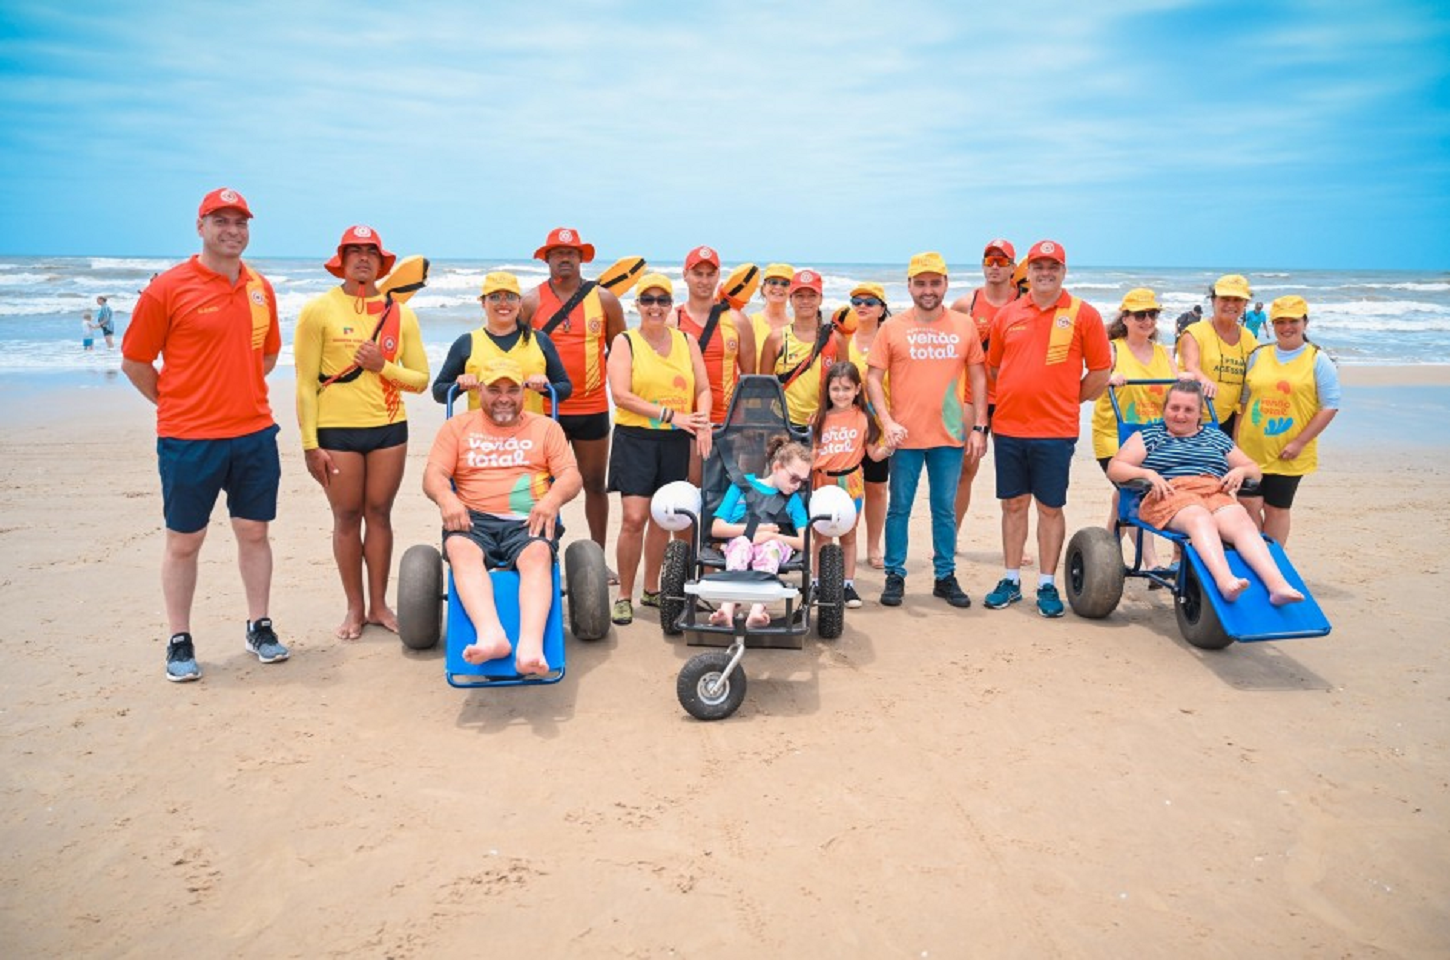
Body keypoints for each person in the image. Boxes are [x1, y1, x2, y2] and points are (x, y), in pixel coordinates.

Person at [121, 187, 288, 682]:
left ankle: (259, 626)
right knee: (185, 541)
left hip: (254, 432)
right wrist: (177, 402)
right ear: (201, 227)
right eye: (221, 221)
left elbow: (267, 355)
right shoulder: (168, 287)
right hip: (189, 438)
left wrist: (235, 389)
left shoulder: (260, 287)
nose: (232, 230)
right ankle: (179, 638)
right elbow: (135, 361)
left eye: (240, 222)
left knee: (254, 532)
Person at [295, 225, 430, 640]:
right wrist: (310, 445)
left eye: (371, 251)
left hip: (388, 428)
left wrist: (381, 366)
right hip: (336, 432)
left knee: (380, 513)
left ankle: (379, 606)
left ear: (381, 262)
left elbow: (420, 379)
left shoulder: (400, 314)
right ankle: (354, 608)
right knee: (347, 516)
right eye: (354, 251)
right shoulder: (318, 310)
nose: (363, 258)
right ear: (341, 261)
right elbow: (305, 384)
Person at [422, 357, 582, 675]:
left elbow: (571, 476)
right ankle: (491, 635)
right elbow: (434, 475)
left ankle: (530, 646)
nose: (504, 398)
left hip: (528, 517)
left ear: (524, 391)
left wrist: (551, 501)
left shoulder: (546, 427)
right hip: (473, 517)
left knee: (537, 554)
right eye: (495, 390)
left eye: (512, 390)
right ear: (480, 390)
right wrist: (446, 499)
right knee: (460, 548)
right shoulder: (456, 427)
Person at [983, 240, 1111, 618]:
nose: (1045, 273)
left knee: (1050, 507)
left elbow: (1100, 372)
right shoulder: (1008, 314)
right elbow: (995, 368)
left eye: (1052, 267)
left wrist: (1068, 399)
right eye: (1038, 266)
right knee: (1013, 505)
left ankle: (1046, 583)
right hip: (1009, 427)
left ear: (1063, 272)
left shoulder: (1083, 314)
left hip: (1055, 430)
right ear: (1028, 272)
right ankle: (1010, 579)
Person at [1108, 380, 1305, 606]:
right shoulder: (1149, 436)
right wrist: (1147, 473)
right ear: (1164, 409)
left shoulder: (1216, 437)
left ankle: (1277, 585)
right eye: (1174, 408)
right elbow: (1116, 467)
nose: (1180, 415)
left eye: (1188, 410)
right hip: (1171, 493)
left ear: (1199, 414)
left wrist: (1241, 471)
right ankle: (1225, 580)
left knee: (1242, 522)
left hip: (1213, 491)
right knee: (1199, 517)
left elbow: (1254, 470)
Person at [867, 251, 988, 608]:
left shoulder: (964, 326)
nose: (928, 290)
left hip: (949, 435)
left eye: (935, 283)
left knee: (944, 509)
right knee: (899, 508)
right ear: (909, 286)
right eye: (920, 283)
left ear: (946, 284)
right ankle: (895, 575)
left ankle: (945, 576)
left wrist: (980, 426)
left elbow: (979, 377)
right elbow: (873, 378)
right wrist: (886, 421)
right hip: (904, 437)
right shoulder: (892, 328)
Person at [605, 273, 712, 625]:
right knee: (634, 518)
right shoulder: (625, 341)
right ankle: (624, 595)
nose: (655, 307)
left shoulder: (686, 340)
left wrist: (702, 422)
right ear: (637, 305)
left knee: (664, 517)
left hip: (676, 440)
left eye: (662, 300)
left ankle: (652, 589)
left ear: (671, 305)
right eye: (648, 300)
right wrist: (671, 414)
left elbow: (703, 388)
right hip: (635, 439)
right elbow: (621, 395)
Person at [518, 227, 627, 570]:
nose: (564, 258)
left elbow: (621, 351)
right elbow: (514, 351)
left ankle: (598, 559)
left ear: (581, 258)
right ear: (547, 259)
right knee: (541, 486)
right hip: (544, 409)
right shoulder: (531, 301)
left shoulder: (605, 300)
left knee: (595, 484)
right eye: (557, 253)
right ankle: (539, 555)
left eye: (571, 253)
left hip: (592, 408)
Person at [1236, 295, 1341, 547]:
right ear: (1272, 324)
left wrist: (1299, 442)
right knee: (1247, 503)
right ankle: (1255, 554)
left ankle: (1273, 559)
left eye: (1293, 321)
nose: (1287, 327)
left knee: (1276, 508)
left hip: (1289, 452)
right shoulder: (1258, 355)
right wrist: (1235, 442)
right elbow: (1244, 401)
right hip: (1251, 449)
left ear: (1305, 322)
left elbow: (1330, 406)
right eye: (1280, 321)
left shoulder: (1317, 359)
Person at [1089, 287, 1177, 570]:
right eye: (1140, 315)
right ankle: (1151, 563)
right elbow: (1091, 385)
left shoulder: (1164, 353)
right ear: (1125, 318)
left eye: (1152, 314)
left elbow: (1179, 388)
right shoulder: (1112, 349)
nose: (1147, 320)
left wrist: (1199, 381)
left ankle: (1105, 552)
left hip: (1152, 440)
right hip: (1114, 437)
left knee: (1123, 497)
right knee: (1138, 493)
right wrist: (1108, 378)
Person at [950, 239, 1020, 544]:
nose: (994, 266)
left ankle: (1015, 544)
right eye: (989, 260)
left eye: (1002, 261)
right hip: (971, 396)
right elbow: (947, 345)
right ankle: (951, 537)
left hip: (1011, 398)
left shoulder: (1025, 302)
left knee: (1014, 476)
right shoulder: (966, 304)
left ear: (1013, 268)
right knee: (965, 470)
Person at [709, 436, 813, 630]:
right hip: (741, 541)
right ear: (777, 467)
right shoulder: (741, 486)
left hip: (774, 545)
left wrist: (773, 536)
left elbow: (807, 542)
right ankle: (726, 609)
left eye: (803, 482)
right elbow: (717, 528)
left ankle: (758, 610)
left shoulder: (793, 500)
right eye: (794, 478)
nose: (797, 485)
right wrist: (756, 530)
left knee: (770, 547)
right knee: (741, 544)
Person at [432, 272, 572, 414]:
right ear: (483, 303)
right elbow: (439, 393)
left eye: (510, 297)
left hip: (529, 426)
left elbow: (565, 389)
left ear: (520, 302)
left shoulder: (539, 340)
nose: (503, 303)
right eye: (495, 297)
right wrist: (459, 385)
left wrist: (545, 387)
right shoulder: (467, 342)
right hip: (481, 427)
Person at [811, 361, 891, 608]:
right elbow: (811, 454)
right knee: (821, 536)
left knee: (848, 535)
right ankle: (816, 583)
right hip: (823, 482)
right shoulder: (818, 419)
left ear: (857, 389)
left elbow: (874, 455)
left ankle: (847, 585)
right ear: (827, 390)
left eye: (846, 388)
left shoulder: (864, 419)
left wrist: (890, 447)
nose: (841, 394)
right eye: (835, 389)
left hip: (851, 483)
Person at [671, 245, 756, 426]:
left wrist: (744, 423)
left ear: (718, 276)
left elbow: (749, 379)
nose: (704, 280)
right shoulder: (672, 320)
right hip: (683, 421)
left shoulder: (738, 321)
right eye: (698, 274)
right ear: (685, 275)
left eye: (710, 275)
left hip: (725, 422)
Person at [760, 269, 847, 429]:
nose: (805, 301)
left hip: (824, 422)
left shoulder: (836, 339)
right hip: (782, 422)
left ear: (820, 299)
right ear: (791, 299)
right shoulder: (776, 339)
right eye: (799, 296)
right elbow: (764, 388)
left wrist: (828, 414)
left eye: (812, 296)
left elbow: (846, 387)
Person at [845, 281, 891, 569]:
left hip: (878, 427)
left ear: (882, 309)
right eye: (857, 301)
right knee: (846, 486)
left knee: (876, 488)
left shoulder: (889, 339)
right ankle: (846, 543)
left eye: (870, 302)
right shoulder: (842, 338)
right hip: (847, 427)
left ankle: (873, 546)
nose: (862, 306)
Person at [1178, 274, 1256, 434]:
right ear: (1213, 301)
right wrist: (1204, 380)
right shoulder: (1194, 332)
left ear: (1245, 304)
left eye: (1237, 300)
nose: (1231, 305)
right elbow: (1191, 366)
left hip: (1233, 417)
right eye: (1225, 299)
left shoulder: (1249, 338)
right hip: (1197, 418)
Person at [750, 263, 794, 368]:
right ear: (764, 288)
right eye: (773, 282)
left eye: (785, 284)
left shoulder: (797, 327)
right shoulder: (750, 323)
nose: (778, 287)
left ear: (792, 291)